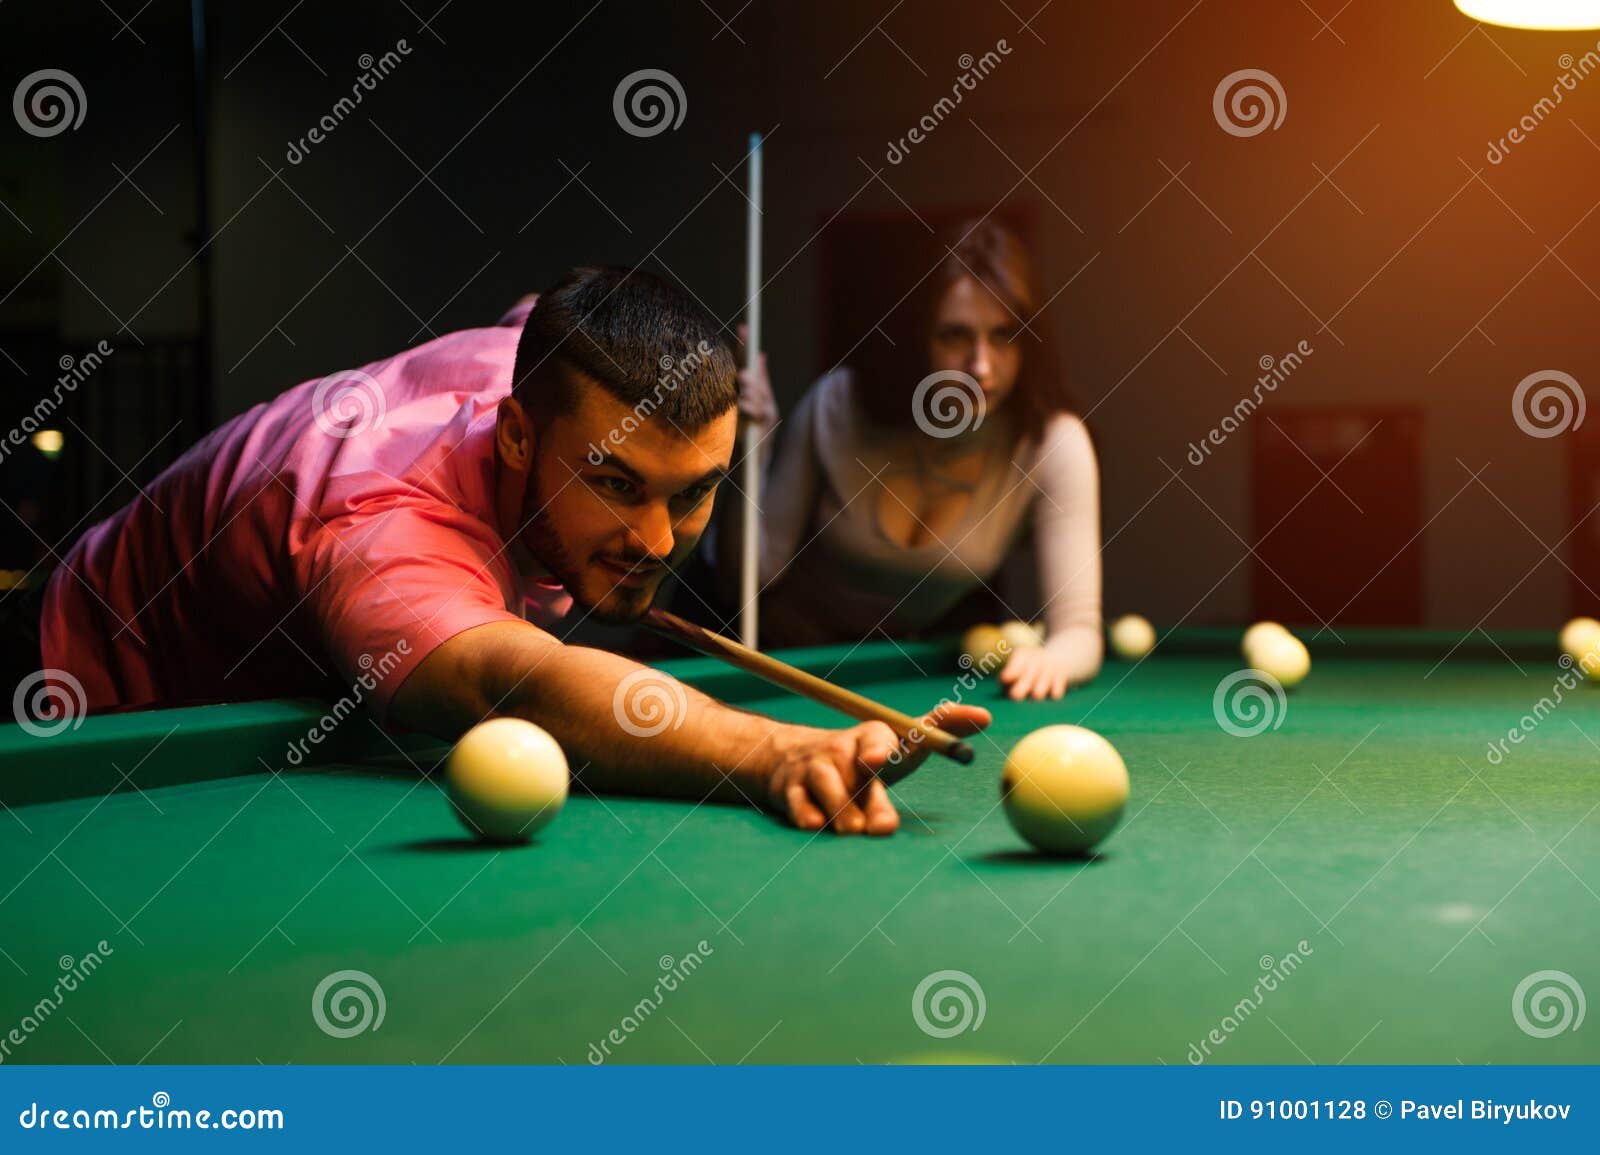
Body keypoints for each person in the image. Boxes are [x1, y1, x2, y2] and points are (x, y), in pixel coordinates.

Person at [14, 267, 987, 835]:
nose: (655, 541)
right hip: (80, 678)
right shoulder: (380, 520)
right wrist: (774, 751)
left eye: (691, 492)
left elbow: (558, 307)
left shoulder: (556, 361)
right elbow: (519, 686)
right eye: (614, 485)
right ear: (516, 436)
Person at [719, 218, 1102, 700]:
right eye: (954, 336)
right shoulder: (837, 404)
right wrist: (753, 452)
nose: (981, 366)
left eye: (1005, 334)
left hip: (900, 674)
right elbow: (749, 578)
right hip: (776, 660)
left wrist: (1052, 660)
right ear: (916, 336)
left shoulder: (1053, 443)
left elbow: (1079, 631)